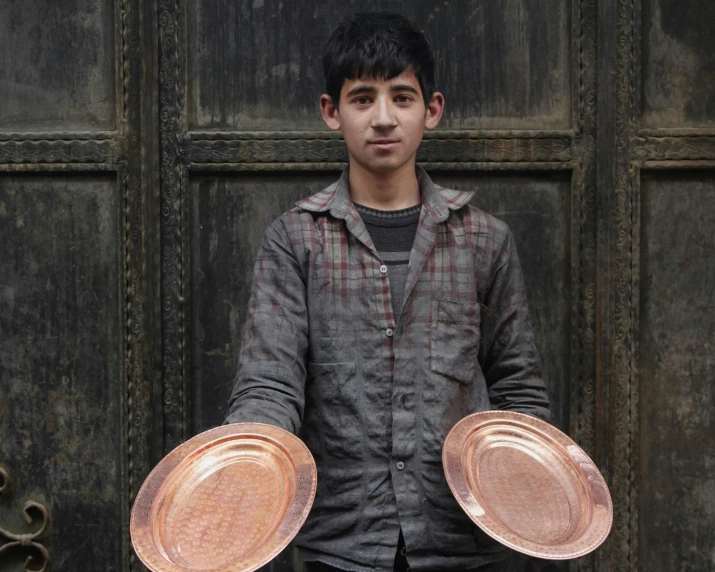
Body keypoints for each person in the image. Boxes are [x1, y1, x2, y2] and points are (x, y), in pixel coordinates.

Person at [224, 11, 551, 572]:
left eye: (402, 97)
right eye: (361, 98)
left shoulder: (484, 241)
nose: (382, 118)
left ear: (432, 110)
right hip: (343, 543)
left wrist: (530, 505)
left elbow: (518, 388)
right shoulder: (296, 241)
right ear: (332, 112)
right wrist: (243, 472)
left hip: (464, 539)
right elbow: (269, 385)